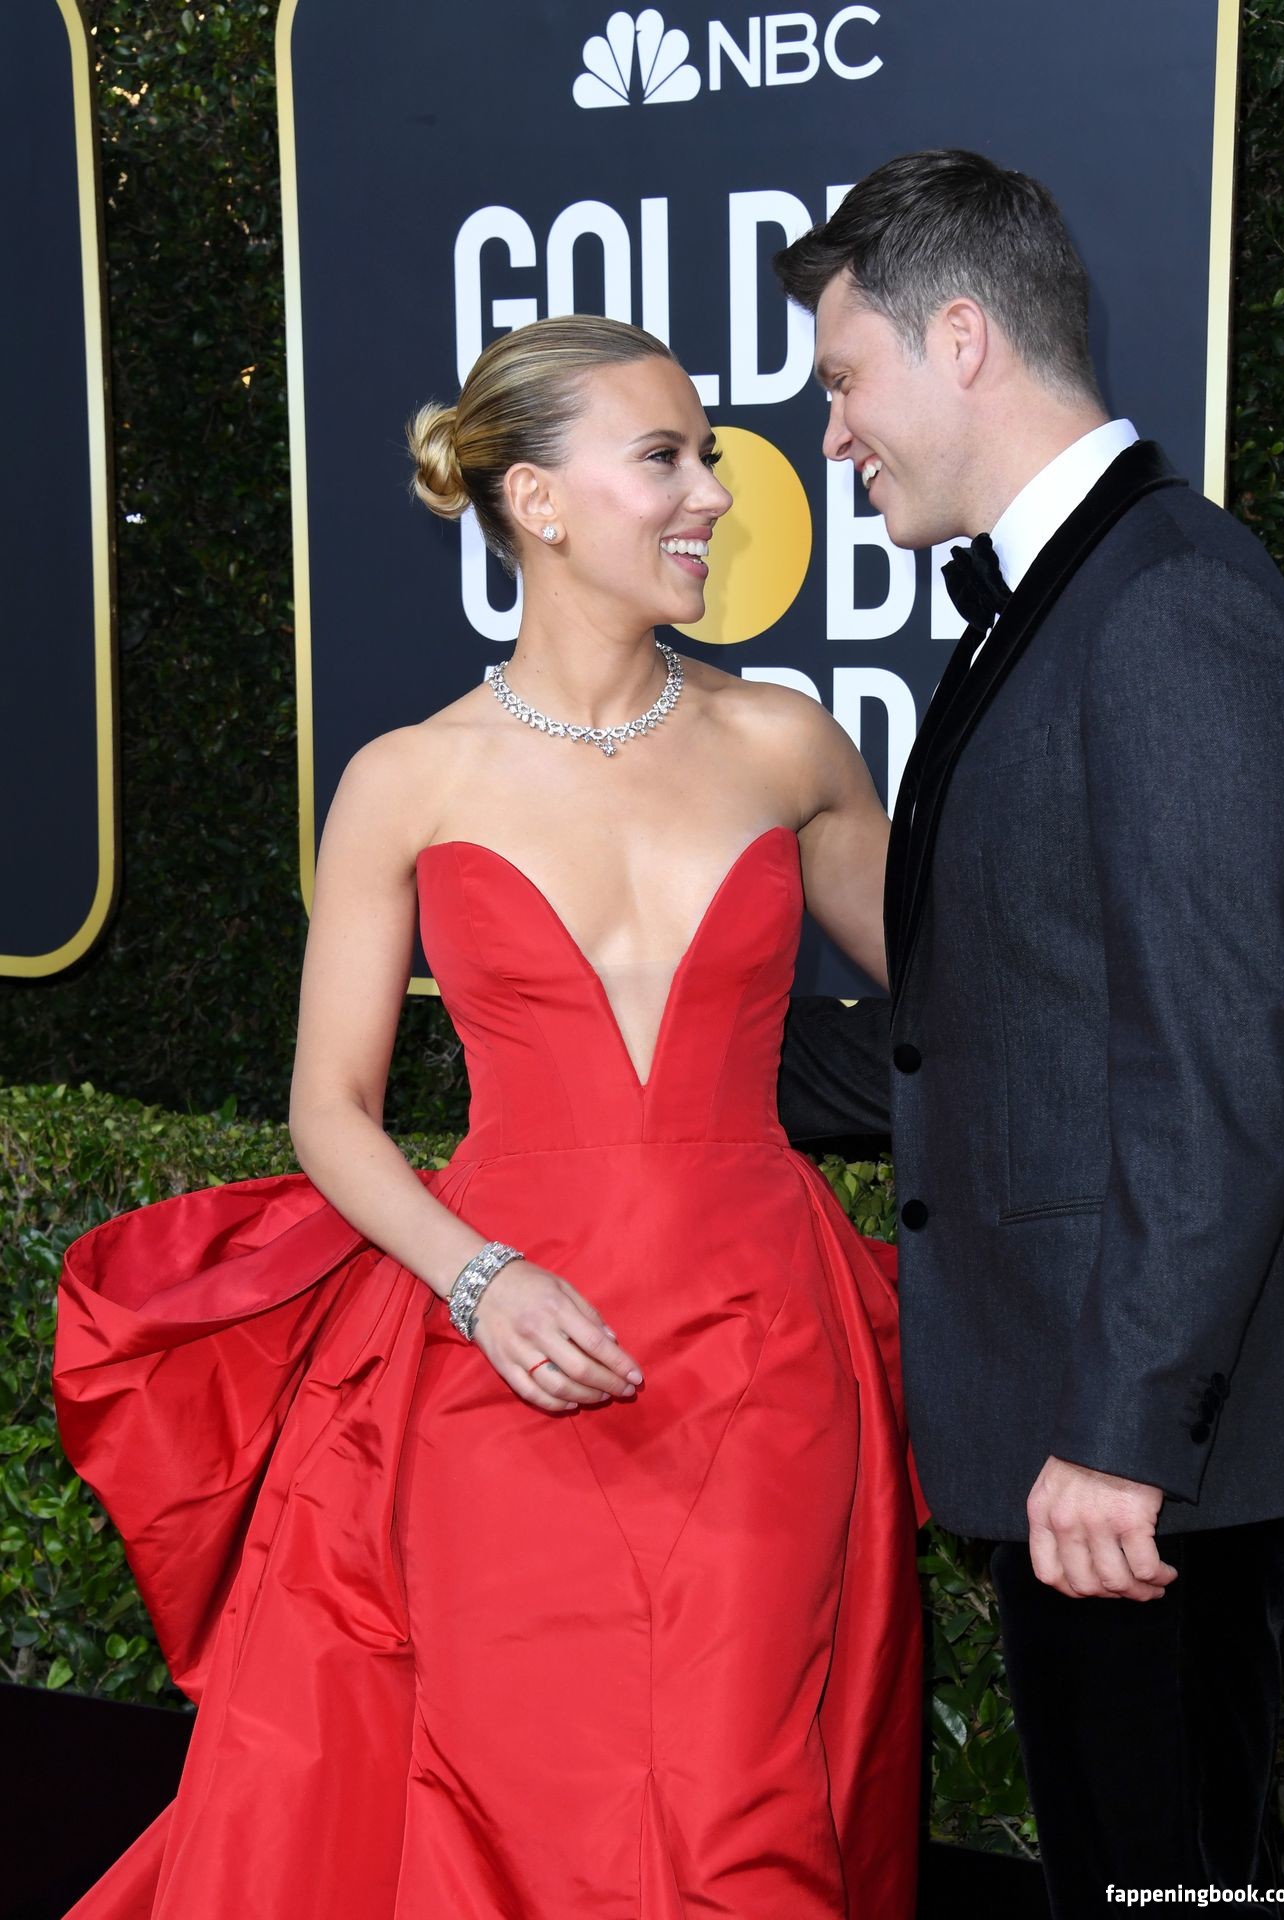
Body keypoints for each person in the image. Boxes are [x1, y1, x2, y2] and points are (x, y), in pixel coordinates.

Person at [52, 313, 924, 1919]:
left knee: (745, 1817)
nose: (714, 492)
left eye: (707, 456)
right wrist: (480, 1279)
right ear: (536, 500)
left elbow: (973, 1005)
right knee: (515, 1814)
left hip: (762, 1356)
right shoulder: (409, 779)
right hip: (504, 1352)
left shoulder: (788, 745)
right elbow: (331, 1111)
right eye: (664, 457)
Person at [773, 149, 1284, 1915]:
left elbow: (1220, 1061)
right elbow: (1000, 1030)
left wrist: (1125, 1430)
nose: (831, 436)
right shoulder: (1066, 596)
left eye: (845, 380)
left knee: (1174, 1887)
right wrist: (673, 1070)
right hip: (1092, 1445)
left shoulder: (1167, 605)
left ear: (962, 338)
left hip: (1144, 1470)